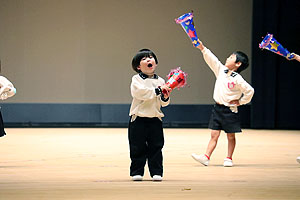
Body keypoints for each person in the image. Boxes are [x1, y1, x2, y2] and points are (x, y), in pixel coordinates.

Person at [191, 39, 254, 167]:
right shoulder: (221, 70)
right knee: (214, 134)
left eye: (231, 57)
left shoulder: (238, 79)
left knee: (230, 136)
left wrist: (241, 102)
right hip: (217, 109)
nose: (227, 58)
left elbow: (250, 91)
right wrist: (202, 48)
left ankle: (229, 158)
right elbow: (212, 59)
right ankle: (206, 157)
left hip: (230, 110)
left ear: (238, 64)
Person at [128, 49, 172, 181]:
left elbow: (163, 103)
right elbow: (140, 93)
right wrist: (159, 90)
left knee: (156, 147)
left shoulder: (161, 80)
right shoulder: (136, 79)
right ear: (138, 66)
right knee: (137, 147)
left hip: (155, 119)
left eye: (151, 57)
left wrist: (165, 97)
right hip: (138, 119)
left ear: (156, 63)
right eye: (144, 59)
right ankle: (137, 172)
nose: (148, 60)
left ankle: (156, 172)